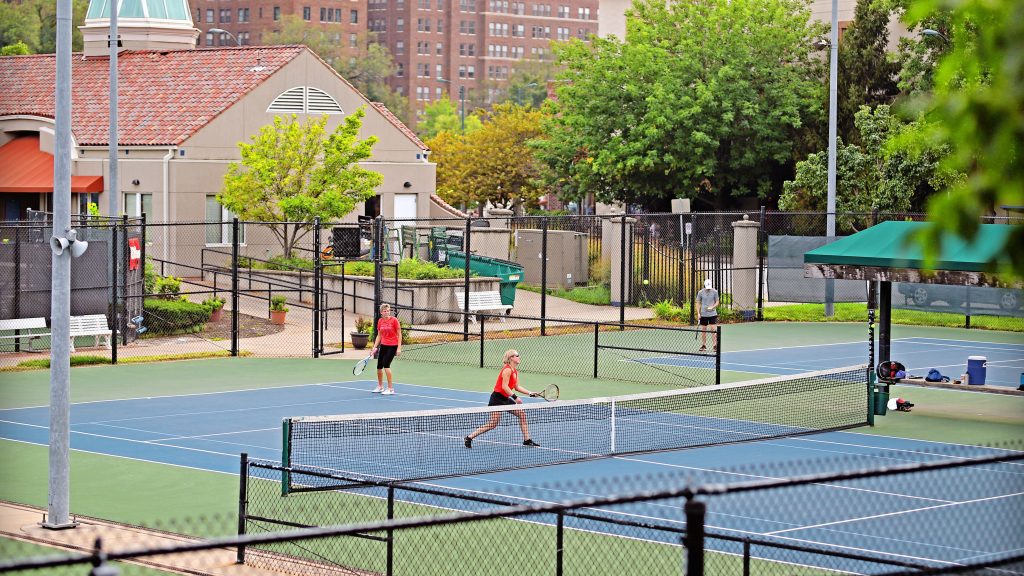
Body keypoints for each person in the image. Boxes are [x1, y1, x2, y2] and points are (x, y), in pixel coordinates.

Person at [464, 349, 539, 448]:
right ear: (511, 358)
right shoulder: (507, 370)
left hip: (505, 398)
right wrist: (515, 398)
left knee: (522, 414)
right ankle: (469, 437)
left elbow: (517, 387)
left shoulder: (515, 371)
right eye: (517, 355)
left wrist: (530, 393)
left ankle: (527, 440)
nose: (519, 357)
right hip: (497, 399)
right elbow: (504, 386)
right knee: (493, 424)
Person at [371, 303, 401, 395]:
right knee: (379, 366)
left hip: (393, 345)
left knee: (386, 365)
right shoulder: (380, 321)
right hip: (383, 345)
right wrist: (374, 347)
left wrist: (399, 348)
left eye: (388, 311)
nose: (387, 312)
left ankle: (390, 388)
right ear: (381, 312)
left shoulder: (394, 320)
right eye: (385, 311)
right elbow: (379, 335)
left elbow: (399, 334)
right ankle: (380, 387)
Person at [696, 278, 719, 352]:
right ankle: (704, 345)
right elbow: (698, 303)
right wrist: (698, 313)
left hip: (712, 314)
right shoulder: (700, 292)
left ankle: (715, 345)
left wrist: (713, 307)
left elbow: (717, 302)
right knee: (703, 330)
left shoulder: (715, 292)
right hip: (703, 314)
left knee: (713, 329)